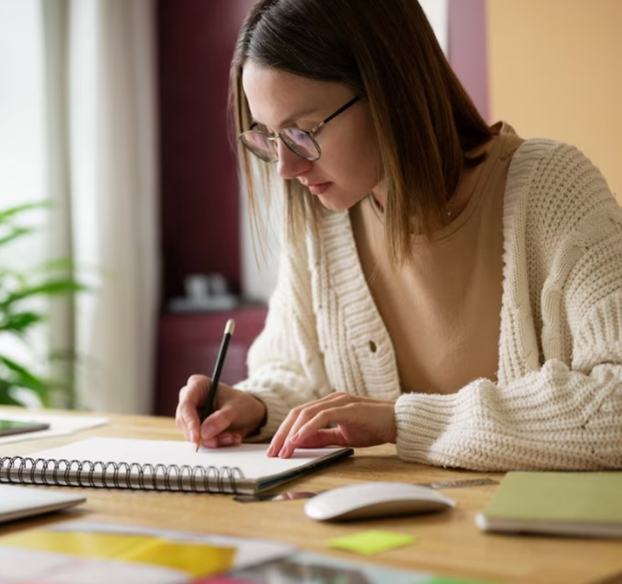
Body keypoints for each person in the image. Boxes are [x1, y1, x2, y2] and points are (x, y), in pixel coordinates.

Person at [175, 0, 622, 471]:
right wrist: (258, 405)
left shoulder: (554, 190)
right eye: (267, 137)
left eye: (303, 132)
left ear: (390, 91)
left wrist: (403, 421)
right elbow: (296, 372)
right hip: (385, 538)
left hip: (529, 538)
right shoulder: (323, 218)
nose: (286, 168)